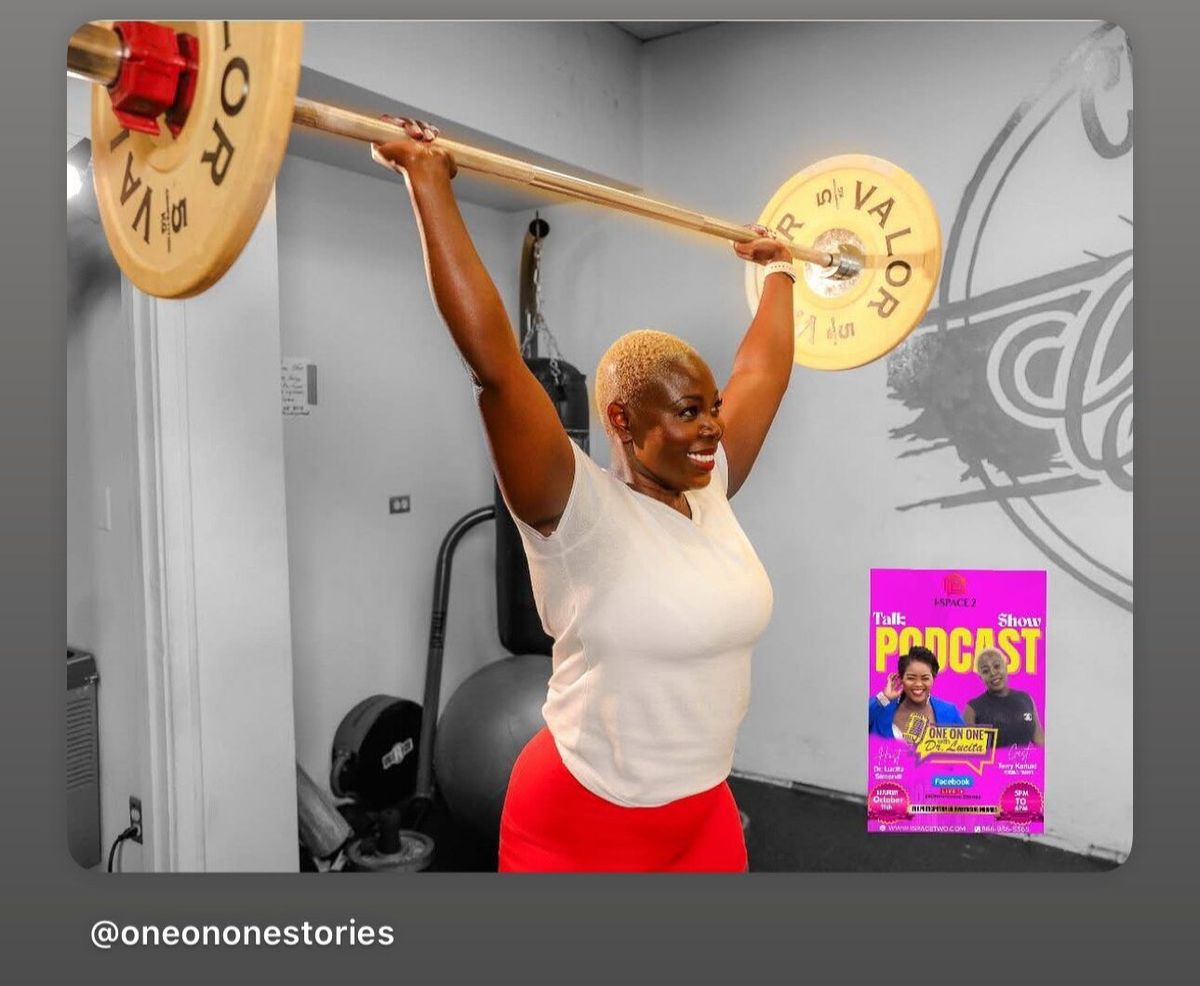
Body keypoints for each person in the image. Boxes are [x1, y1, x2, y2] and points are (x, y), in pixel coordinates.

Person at [371, 118, 796, 872]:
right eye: (688, 411)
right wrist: (427, 185)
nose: (711, 427)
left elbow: (760, 372)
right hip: (578, 818)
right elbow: (498, 367)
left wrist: (780, 274)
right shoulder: (576, 512)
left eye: (712, 408)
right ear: (622, 422)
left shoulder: (712, 488)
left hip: (702, 810)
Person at [868, 646, 964, 742]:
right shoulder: (880, 709)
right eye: (911, 678)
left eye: (925, 678)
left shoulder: (950, 712)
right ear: (901, 678)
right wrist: (885, 697)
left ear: (933, 679)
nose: (918, 684)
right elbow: (857, 723)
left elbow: (967, 750)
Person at [963, 647, 1043, 747]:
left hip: (1022, 762)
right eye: (985, 671)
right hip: (994, 763)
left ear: (1005, 666)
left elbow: (1039, 740)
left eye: (996, 666)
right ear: (981, 677)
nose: (992, 673)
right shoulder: (972, 708)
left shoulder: (1026, 699)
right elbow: (968, 753)